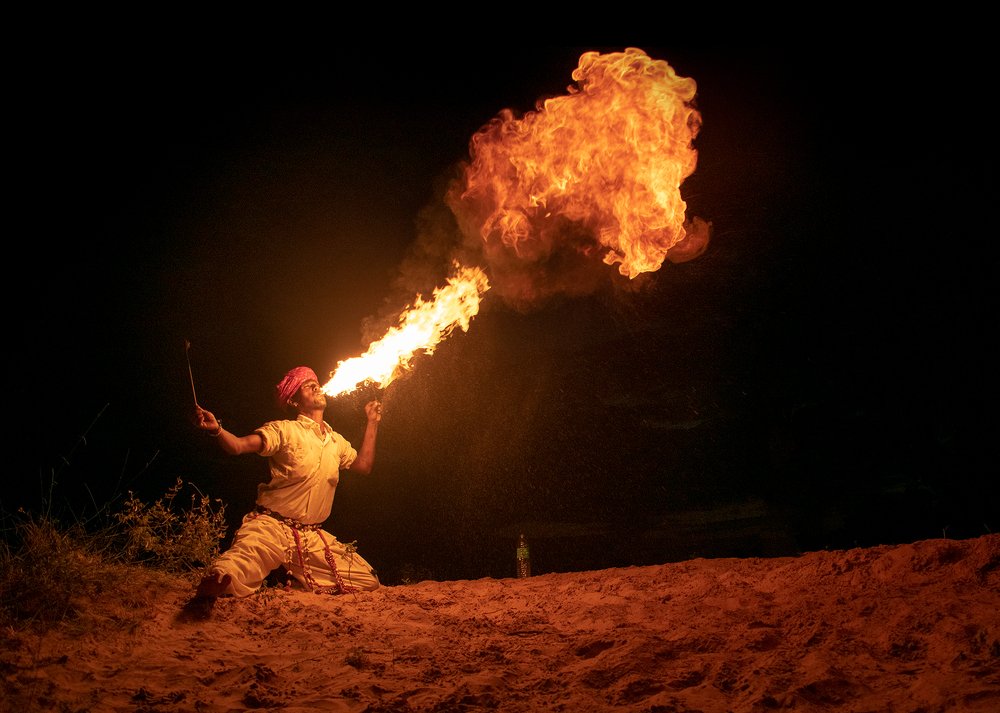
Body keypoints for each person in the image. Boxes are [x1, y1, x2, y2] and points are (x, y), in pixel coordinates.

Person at [190, 366, 382, 602]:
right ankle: (213, 587)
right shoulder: (283, 430)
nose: (315, 386)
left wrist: (372, 421)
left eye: (315, 382)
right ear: (293, 401)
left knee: (367, 580)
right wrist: (217, 430)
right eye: (305, 385)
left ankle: (297, 581)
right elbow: (239, 446)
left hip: (311, 537)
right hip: (271, 526)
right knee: (233, 568)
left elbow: (363, 465)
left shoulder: (336, 442)